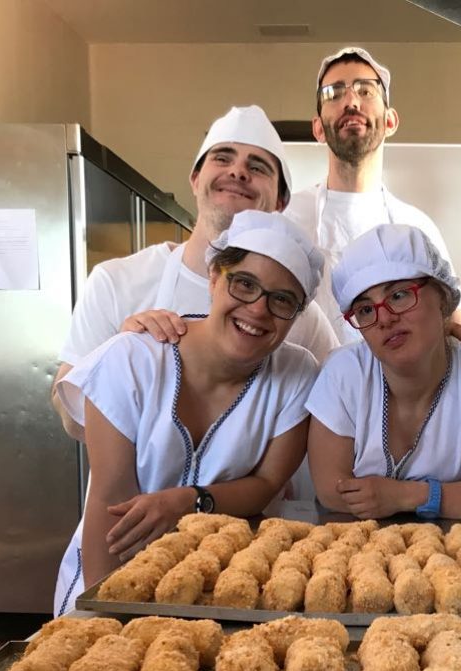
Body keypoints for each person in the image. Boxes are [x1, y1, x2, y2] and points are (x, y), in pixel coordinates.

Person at [53, 211, 323, 616]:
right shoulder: (130, 361)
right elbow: (110, 498)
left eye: (282, 300)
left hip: (223, 591)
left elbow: (266, 484)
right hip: (113, 571)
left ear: (296, 315)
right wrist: (108, 616)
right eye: (245, 284)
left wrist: (188, 501)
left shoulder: (296, 375)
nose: (258, 309)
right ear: (215, 278)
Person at [51, 105, 338, 441]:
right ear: (195, 178)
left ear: (281, 202)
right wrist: (120, 357)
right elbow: (70, 419)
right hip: (131, 493)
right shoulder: (116, 282)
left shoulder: (300, 315)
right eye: (223, 158)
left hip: (248, 494)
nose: (238, 172)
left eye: (257, 167)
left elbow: (342, 407)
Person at [285, 45, 461, 368]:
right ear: (318, 128)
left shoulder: (414, 227)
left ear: (390, 121)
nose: (351, 101)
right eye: (334, 93)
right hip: (306, 405)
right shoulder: (289, 219)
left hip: (396, 406)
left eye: (366, 90)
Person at [306, 223, 461, 521]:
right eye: (366, 310)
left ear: (443, 298)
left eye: (398, 295)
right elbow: (331, 491)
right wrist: (458, 497)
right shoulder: (344, 374)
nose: (384, 318)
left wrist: (408, 496)